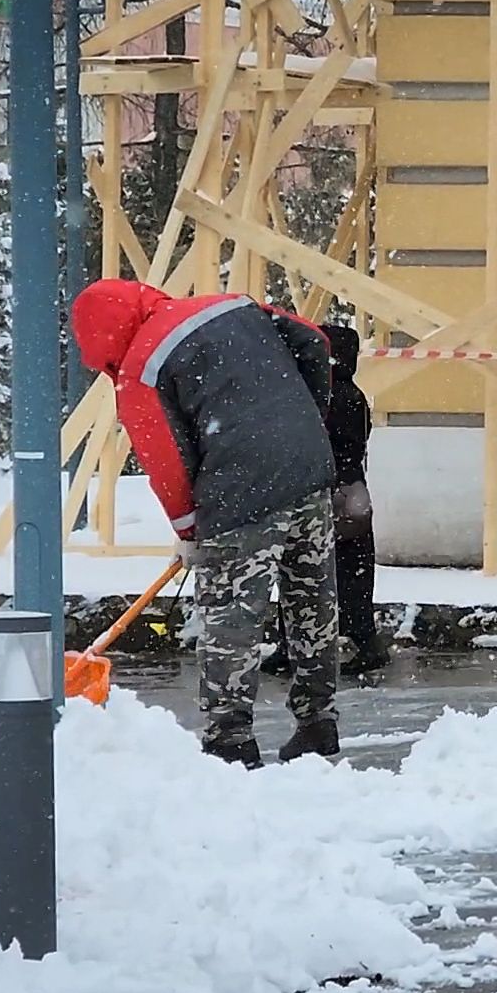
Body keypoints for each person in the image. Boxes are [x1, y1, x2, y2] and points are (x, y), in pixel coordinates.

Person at [71, 279, 343, 768]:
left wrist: (189, 529)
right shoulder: (233, 305)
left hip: (241, 489)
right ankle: (318, 723)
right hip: (308, 467)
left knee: (231, 617)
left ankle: (230, 741)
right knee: (312, 600)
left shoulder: (142, 367)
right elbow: (314, 340)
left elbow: (165, 460)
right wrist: (307, 418)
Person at [260, 314, 389, 683]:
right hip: (353, 493)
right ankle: (362, 640)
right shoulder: (356, 396)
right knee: (352, 572)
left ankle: (293, 646)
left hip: (319, 492)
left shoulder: (317, 394)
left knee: (301, 570)